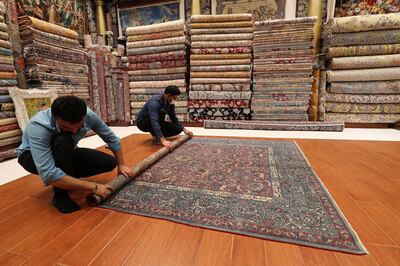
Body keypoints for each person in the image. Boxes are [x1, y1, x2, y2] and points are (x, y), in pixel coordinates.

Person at [17, 96, 132, 214]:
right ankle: (60, 196)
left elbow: (112, 138)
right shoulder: (38, 126)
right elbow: (49, 174)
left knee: (109, 162)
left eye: (79, 125)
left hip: (67, 151)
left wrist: (122, 164)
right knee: (63, 141)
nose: (74, 131)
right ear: (55, 118)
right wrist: (94, 187)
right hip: (30, 157)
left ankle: (66, 179)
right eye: (65, 127)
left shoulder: (89, 115)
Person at [136, 85, 193, 149]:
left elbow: (173, 118)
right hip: (143, 123)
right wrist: (163, 140)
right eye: (174, 98)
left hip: (157, 122)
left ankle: (157, 135)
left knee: (178, 128)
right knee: (162, 112)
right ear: (168, 95)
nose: (175, 100)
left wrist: (184, 129)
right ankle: (158, 138)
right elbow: (154, 121)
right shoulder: (155, 102)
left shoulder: (170, 102)